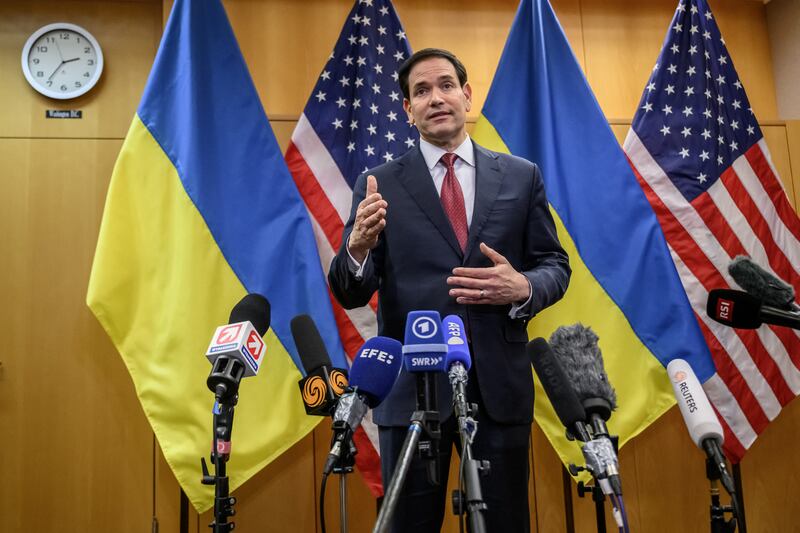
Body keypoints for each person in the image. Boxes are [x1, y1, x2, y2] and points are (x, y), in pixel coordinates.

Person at [328, 48, 570, 532]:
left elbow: (555, 265)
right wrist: (356, 248)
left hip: (498, 388)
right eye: (421, 91)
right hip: (412, 393)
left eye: (445, 85)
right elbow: (351, 290)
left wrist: (522, 285)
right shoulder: (378, 184)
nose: (436, 98)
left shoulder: (521, 176)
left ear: (467, 95)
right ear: (407, 109)